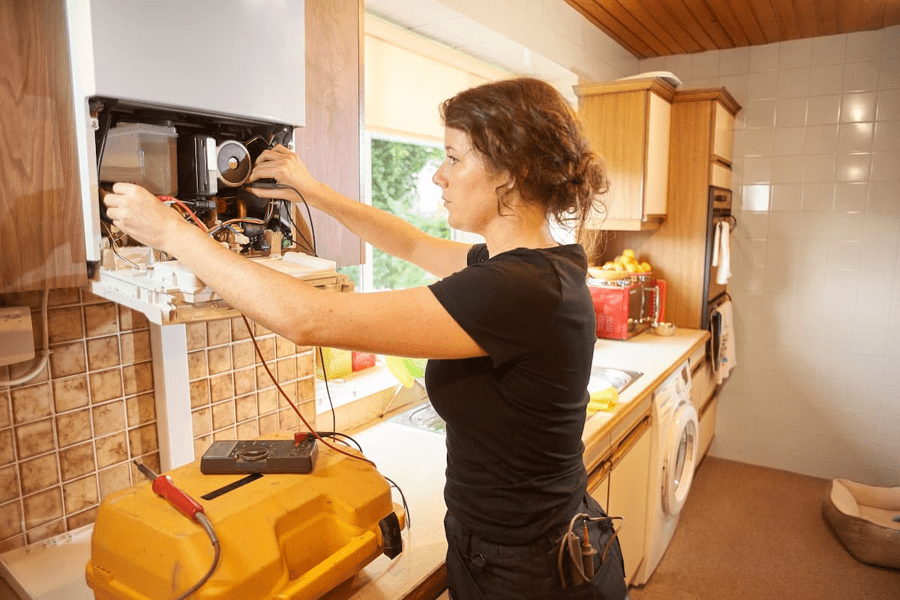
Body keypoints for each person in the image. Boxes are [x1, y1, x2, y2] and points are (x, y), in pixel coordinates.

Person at [104, 77, 627, 599]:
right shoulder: (536, 268)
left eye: (453, 158)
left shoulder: (518, 290)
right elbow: (410, 242)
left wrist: (173, 233)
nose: (439, 177)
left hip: (527, 570)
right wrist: (311, 190)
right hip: (525, 544)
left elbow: (309, 319)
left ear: (513, 172)